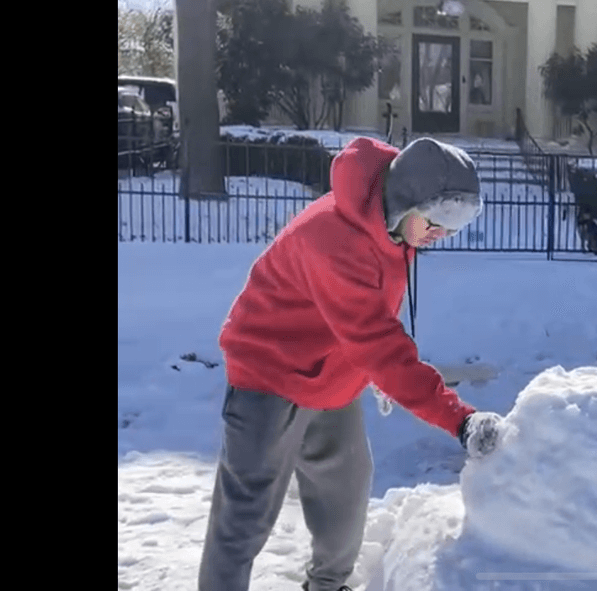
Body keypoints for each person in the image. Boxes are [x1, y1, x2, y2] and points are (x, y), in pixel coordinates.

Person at [198, 136, 506, 591]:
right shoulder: (334, 239)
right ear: (405, 202)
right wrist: (459, 421)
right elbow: (379, 342)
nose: (442, 235)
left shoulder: (394, 224)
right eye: (439, 221)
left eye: (455, 226)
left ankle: (328, 586)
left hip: (331, 378)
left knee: (345, 490)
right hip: (269, 373)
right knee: (245, 514)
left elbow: (369, 319)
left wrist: (371, 371)